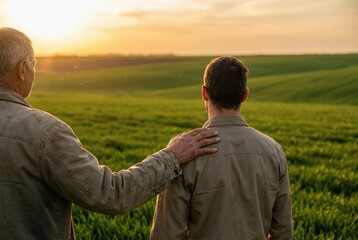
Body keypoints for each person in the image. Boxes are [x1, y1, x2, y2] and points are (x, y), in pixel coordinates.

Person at [0, 27, 220, 239]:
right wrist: (171, 157)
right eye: (33, 65)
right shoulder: (44, 132)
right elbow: (111, 195)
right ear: (22, 69)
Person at [150, 56, 293, 239]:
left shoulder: (184, 151)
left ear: (204, 93)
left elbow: (167, 233)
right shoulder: (274, 151)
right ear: (244, 95)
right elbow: (283, 230)